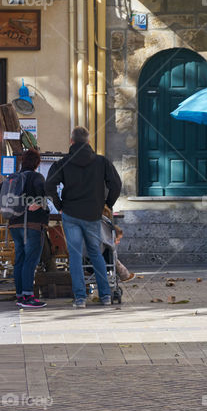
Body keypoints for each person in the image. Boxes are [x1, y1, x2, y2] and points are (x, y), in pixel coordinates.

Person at [46, 126, 122, 308]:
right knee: (96, 253)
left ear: (71, 142)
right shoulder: (102, 162)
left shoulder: (62, 163)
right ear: (89, 142)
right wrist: (107, 204)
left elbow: (49, 185)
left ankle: (80, 298)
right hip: (93, 214)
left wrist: (59, 205)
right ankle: (104, 295)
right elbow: (116, 185)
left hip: (71, 213)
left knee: (75, 256)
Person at [0, 149, 48, 308]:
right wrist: (37, 203)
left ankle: (20, 296)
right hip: (31, 226)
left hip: (14, 224)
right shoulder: (36, 177)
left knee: (19, 260)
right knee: (30, 261)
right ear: (37, 163)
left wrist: (13, 204)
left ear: (22, 162)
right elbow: (42, 193)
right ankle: (28, 297)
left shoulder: (12, 178)